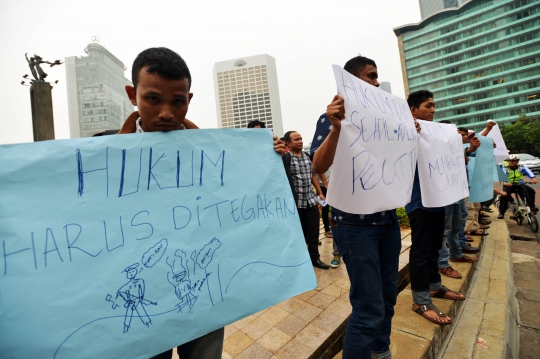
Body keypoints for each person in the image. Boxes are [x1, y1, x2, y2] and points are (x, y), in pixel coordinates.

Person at [116, 47, 285, 359]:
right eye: (153, 99)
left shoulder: (219, 155)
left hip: (203, 291)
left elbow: (247, 201)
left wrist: (265, 159)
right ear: (132, 94)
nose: (166, 112)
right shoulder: (102, 159)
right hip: (145, 297)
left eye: (177, 101)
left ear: (188, 100)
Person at [313, 55, 410, 359]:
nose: (377, 82)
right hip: (355, 227)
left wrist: (412, 136)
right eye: (371, 76)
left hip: (387, 223)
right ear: (354, 80)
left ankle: (380, 352)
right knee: (368, 309)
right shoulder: (332, 117)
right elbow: (318, 164)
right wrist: (336, 128)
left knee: (387, 298)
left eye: (378, 76)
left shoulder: (389, 121)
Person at [406, 90, 478, 326]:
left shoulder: (434, 134)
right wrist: (407, 134)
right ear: (413, 110)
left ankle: (434, 286)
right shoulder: (405, 132)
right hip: (419, 202)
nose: (433, 110)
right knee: (421, 250)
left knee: (435, 246)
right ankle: (420, 300)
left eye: (434, 106)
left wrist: (460, 142)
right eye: (428, 106)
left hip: (439, 200)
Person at [282, 130, 330, 270]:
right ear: (288, 143)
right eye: (296, 139)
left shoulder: (307, 156)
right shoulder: (286, 158)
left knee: (314, 231)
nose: (300, 141)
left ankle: (315, 258)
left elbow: (313, 175)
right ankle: (301, 261)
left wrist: (319, 193)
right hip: (297, 203)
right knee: (300, 233)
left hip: (310, 200)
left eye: (301, 138)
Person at [498, 154, 538, 219]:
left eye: (513, 161)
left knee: (531, 191)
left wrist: (533, 178)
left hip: (519, 184)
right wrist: (505, 182)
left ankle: (531, 207)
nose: (511, 162)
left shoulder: (521, 166)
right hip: (509, 185)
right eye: (510, 161)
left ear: (517, 161)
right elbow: (502, 176)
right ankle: (501, 212)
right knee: (504, 195)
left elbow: (528, 172)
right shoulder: (505, 168)